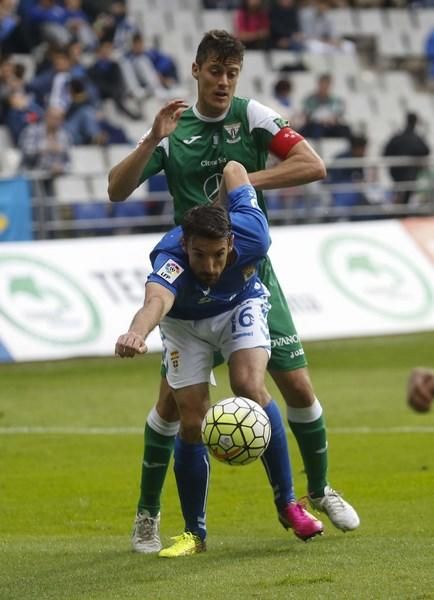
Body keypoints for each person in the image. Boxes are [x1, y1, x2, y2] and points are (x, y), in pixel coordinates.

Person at [108, 29, 360, 554]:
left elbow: (314, 165)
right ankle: (152, 516)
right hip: (190, 272)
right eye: (215, 71)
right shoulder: (175, 129)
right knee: (177, 410)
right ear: (196, 70)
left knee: (294, 387)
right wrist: (152, 139)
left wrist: (244, 187)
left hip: (245, 270)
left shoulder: (254, 117)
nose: (223, 82)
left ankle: (317, 491)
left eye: (232, 73)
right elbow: (116, 189)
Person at [115, 160, 324, 557]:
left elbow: (233, 167)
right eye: (199, 255)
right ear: (185, 247)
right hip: (185, 326)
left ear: (231, 242)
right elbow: (155, 302)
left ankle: (289, 505)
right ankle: (195, 533)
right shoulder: (170, 259)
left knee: (249, 386)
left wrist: (229, 187)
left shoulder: (253, 233)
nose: (209, 266)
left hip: (239, 306)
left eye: (218, 255)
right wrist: (135, 333)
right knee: (191, 420)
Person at [383, 112, 430, 205]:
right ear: (415, 122)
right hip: (408, 175)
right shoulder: (416, 139)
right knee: (405, 196)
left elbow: (385, 152)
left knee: (403, 196)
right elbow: (426, 150)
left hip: (398, 175)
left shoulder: (398, 137)